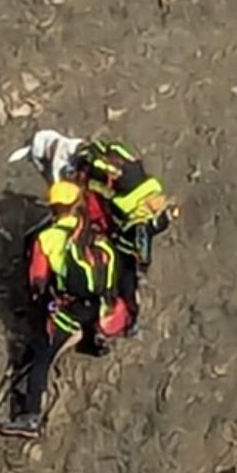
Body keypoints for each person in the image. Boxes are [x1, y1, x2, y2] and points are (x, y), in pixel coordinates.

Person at [0, 180, 131, 440]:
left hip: (70, 309)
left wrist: (41, 305)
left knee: (40, 357)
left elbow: (37, 281)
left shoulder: (47, 238)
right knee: (79, 318)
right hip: (102, 307)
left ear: (54, 208)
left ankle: (30, 418)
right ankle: (93, 337)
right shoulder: (95, 236)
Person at [70, 138, 178, 331]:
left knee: (124, 278)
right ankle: (127, 314)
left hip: (125, 238)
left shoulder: (136, 213)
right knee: (127, 277)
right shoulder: (132, 172)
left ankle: (125, 316)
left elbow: (143, 232)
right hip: (127, 224)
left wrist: (142, 261)